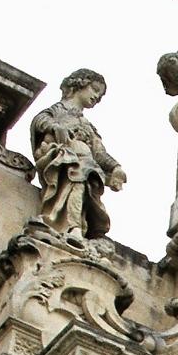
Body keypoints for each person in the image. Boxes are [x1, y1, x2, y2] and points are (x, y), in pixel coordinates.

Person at [30, 69, 125, 241]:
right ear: (79, 84)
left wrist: (115, 167)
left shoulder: (87, 125)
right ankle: (73, 226)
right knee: (78, 175)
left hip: (86, 164)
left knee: (84, 179)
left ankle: (77, 226)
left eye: (100, 95)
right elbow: (39, 120)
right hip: (65, 160)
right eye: (95, 89)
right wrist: (55, 127)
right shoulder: (59, 110)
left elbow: (99, 152)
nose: (97, 96)